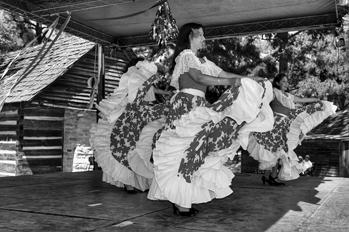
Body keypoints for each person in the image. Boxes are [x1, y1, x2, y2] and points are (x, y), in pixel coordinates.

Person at [147, 22, 274, 216]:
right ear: (191, 36)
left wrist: (249, 80)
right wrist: (230, 82)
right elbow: (199, 78)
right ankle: (180, 200)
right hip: (187, 105)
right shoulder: (186, 56)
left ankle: (181, 197)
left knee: (196, 150)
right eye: (201, 35)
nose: (204, 39)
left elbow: (223, 74)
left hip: (198, 105)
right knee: (185, 150)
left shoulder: (203, 61)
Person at [89, 58, 171, 193]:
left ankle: (138, 181)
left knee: (139, 149)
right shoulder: (131, 79)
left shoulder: (143, 79)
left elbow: (152, 90)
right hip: (131, 115)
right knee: (126, 148)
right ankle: (128, 183)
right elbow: (129, 96)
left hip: (142, 115)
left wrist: (165, 93)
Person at [247, 73, 337, 185]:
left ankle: (270, 176)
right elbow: (262, 100)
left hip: (284, 126)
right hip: (274, 126)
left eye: (287, 81)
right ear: (277, 82)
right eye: (283, 81)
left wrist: (316, 99)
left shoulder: (289, 96)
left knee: (279, 151)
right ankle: (270, 176)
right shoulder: (274, 92)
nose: (286, 84)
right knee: (274, 150)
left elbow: (301, 100)